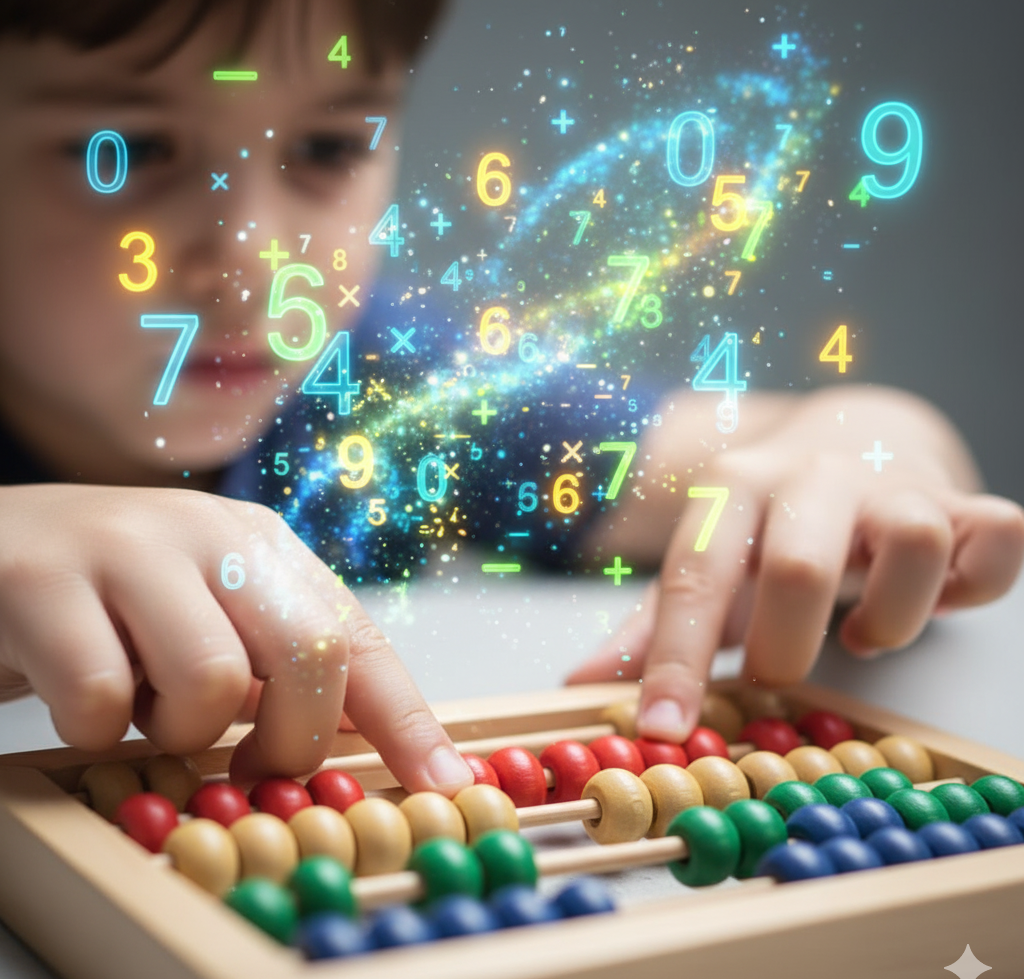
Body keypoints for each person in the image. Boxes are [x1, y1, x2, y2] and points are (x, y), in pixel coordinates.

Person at [0, 0, 1020, 791]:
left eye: (328, 148)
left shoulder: (390, 390)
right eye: (121, 150)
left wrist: (871, 451)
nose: (252, 262)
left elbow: (796, 443)